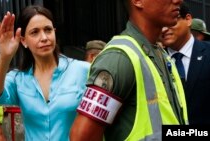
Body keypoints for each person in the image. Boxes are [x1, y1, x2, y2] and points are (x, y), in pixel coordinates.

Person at [70, 0, 187, 140]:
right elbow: (82, 138)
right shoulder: (119, 59)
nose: (178, 0)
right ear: (138, 1)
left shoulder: (161, 54)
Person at [0, 5, 90, 141]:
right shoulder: (18, 78)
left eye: (48, 30)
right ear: (23, 40)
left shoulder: (83, 70)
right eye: (35, 32)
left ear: (54, 32)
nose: (44, 37)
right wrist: (5, 57)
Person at [161, 2, 210, 125]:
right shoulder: (153, 59)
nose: (164, 29)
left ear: (188, 19)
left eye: (171, 21)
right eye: (159, 25)